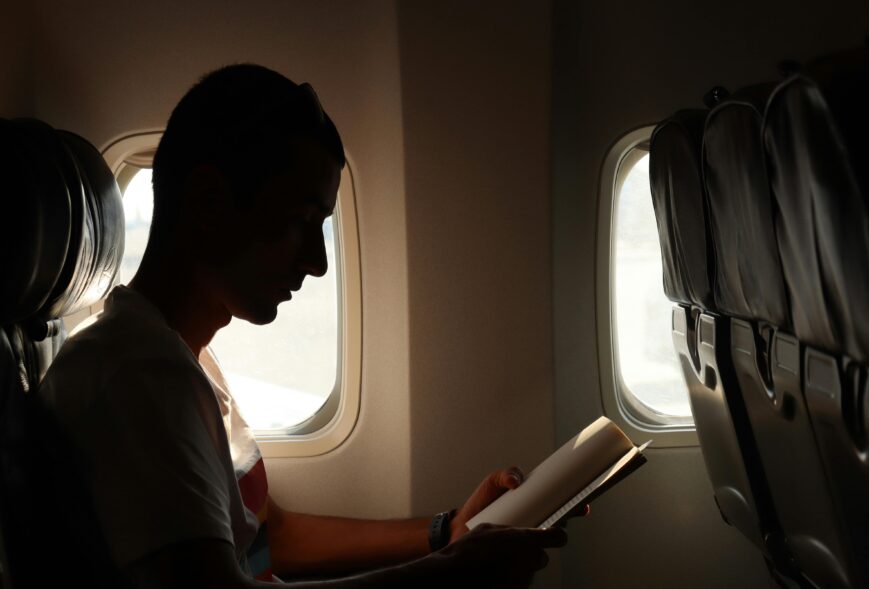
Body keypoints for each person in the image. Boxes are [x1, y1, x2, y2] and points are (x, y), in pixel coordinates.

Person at [39, 64, 573, 588]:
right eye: (300, 221)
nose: (317, 262)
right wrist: (455, 573)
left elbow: (275, 536)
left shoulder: (183, 357)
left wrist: (446, 532)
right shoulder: (137, 377)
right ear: (207, 202)